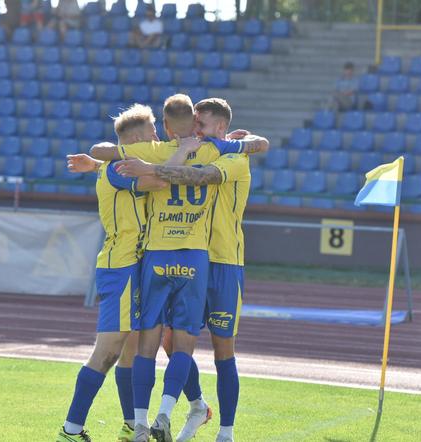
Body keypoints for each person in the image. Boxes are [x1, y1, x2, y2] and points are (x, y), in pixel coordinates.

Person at [91, 95, 266, 442]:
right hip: (193, 257)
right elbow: (106, 151)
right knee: (172, 340)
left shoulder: (232, 156)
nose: (193, 130)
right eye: (192, 123)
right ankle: (195, 405)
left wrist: (151, 168)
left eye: (200, 125)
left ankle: (226, 432)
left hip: (225, 262)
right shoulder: (199, 147)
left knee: (223, 349)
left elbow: (202, 176)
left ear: (220, 127)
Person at [55, 104, 201, 442]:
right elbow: (159, 180)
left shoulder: (116, 165)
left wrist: (95, 164)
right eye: (151, 133)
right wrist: (181, 151)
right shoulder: (121, 168)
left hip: (135, 266)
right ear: (136, 139)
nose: (156, 137)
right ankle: (71, 430)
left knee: (131, 352)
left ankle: (129, 424)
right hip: (121, 268)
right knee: (106, 351)